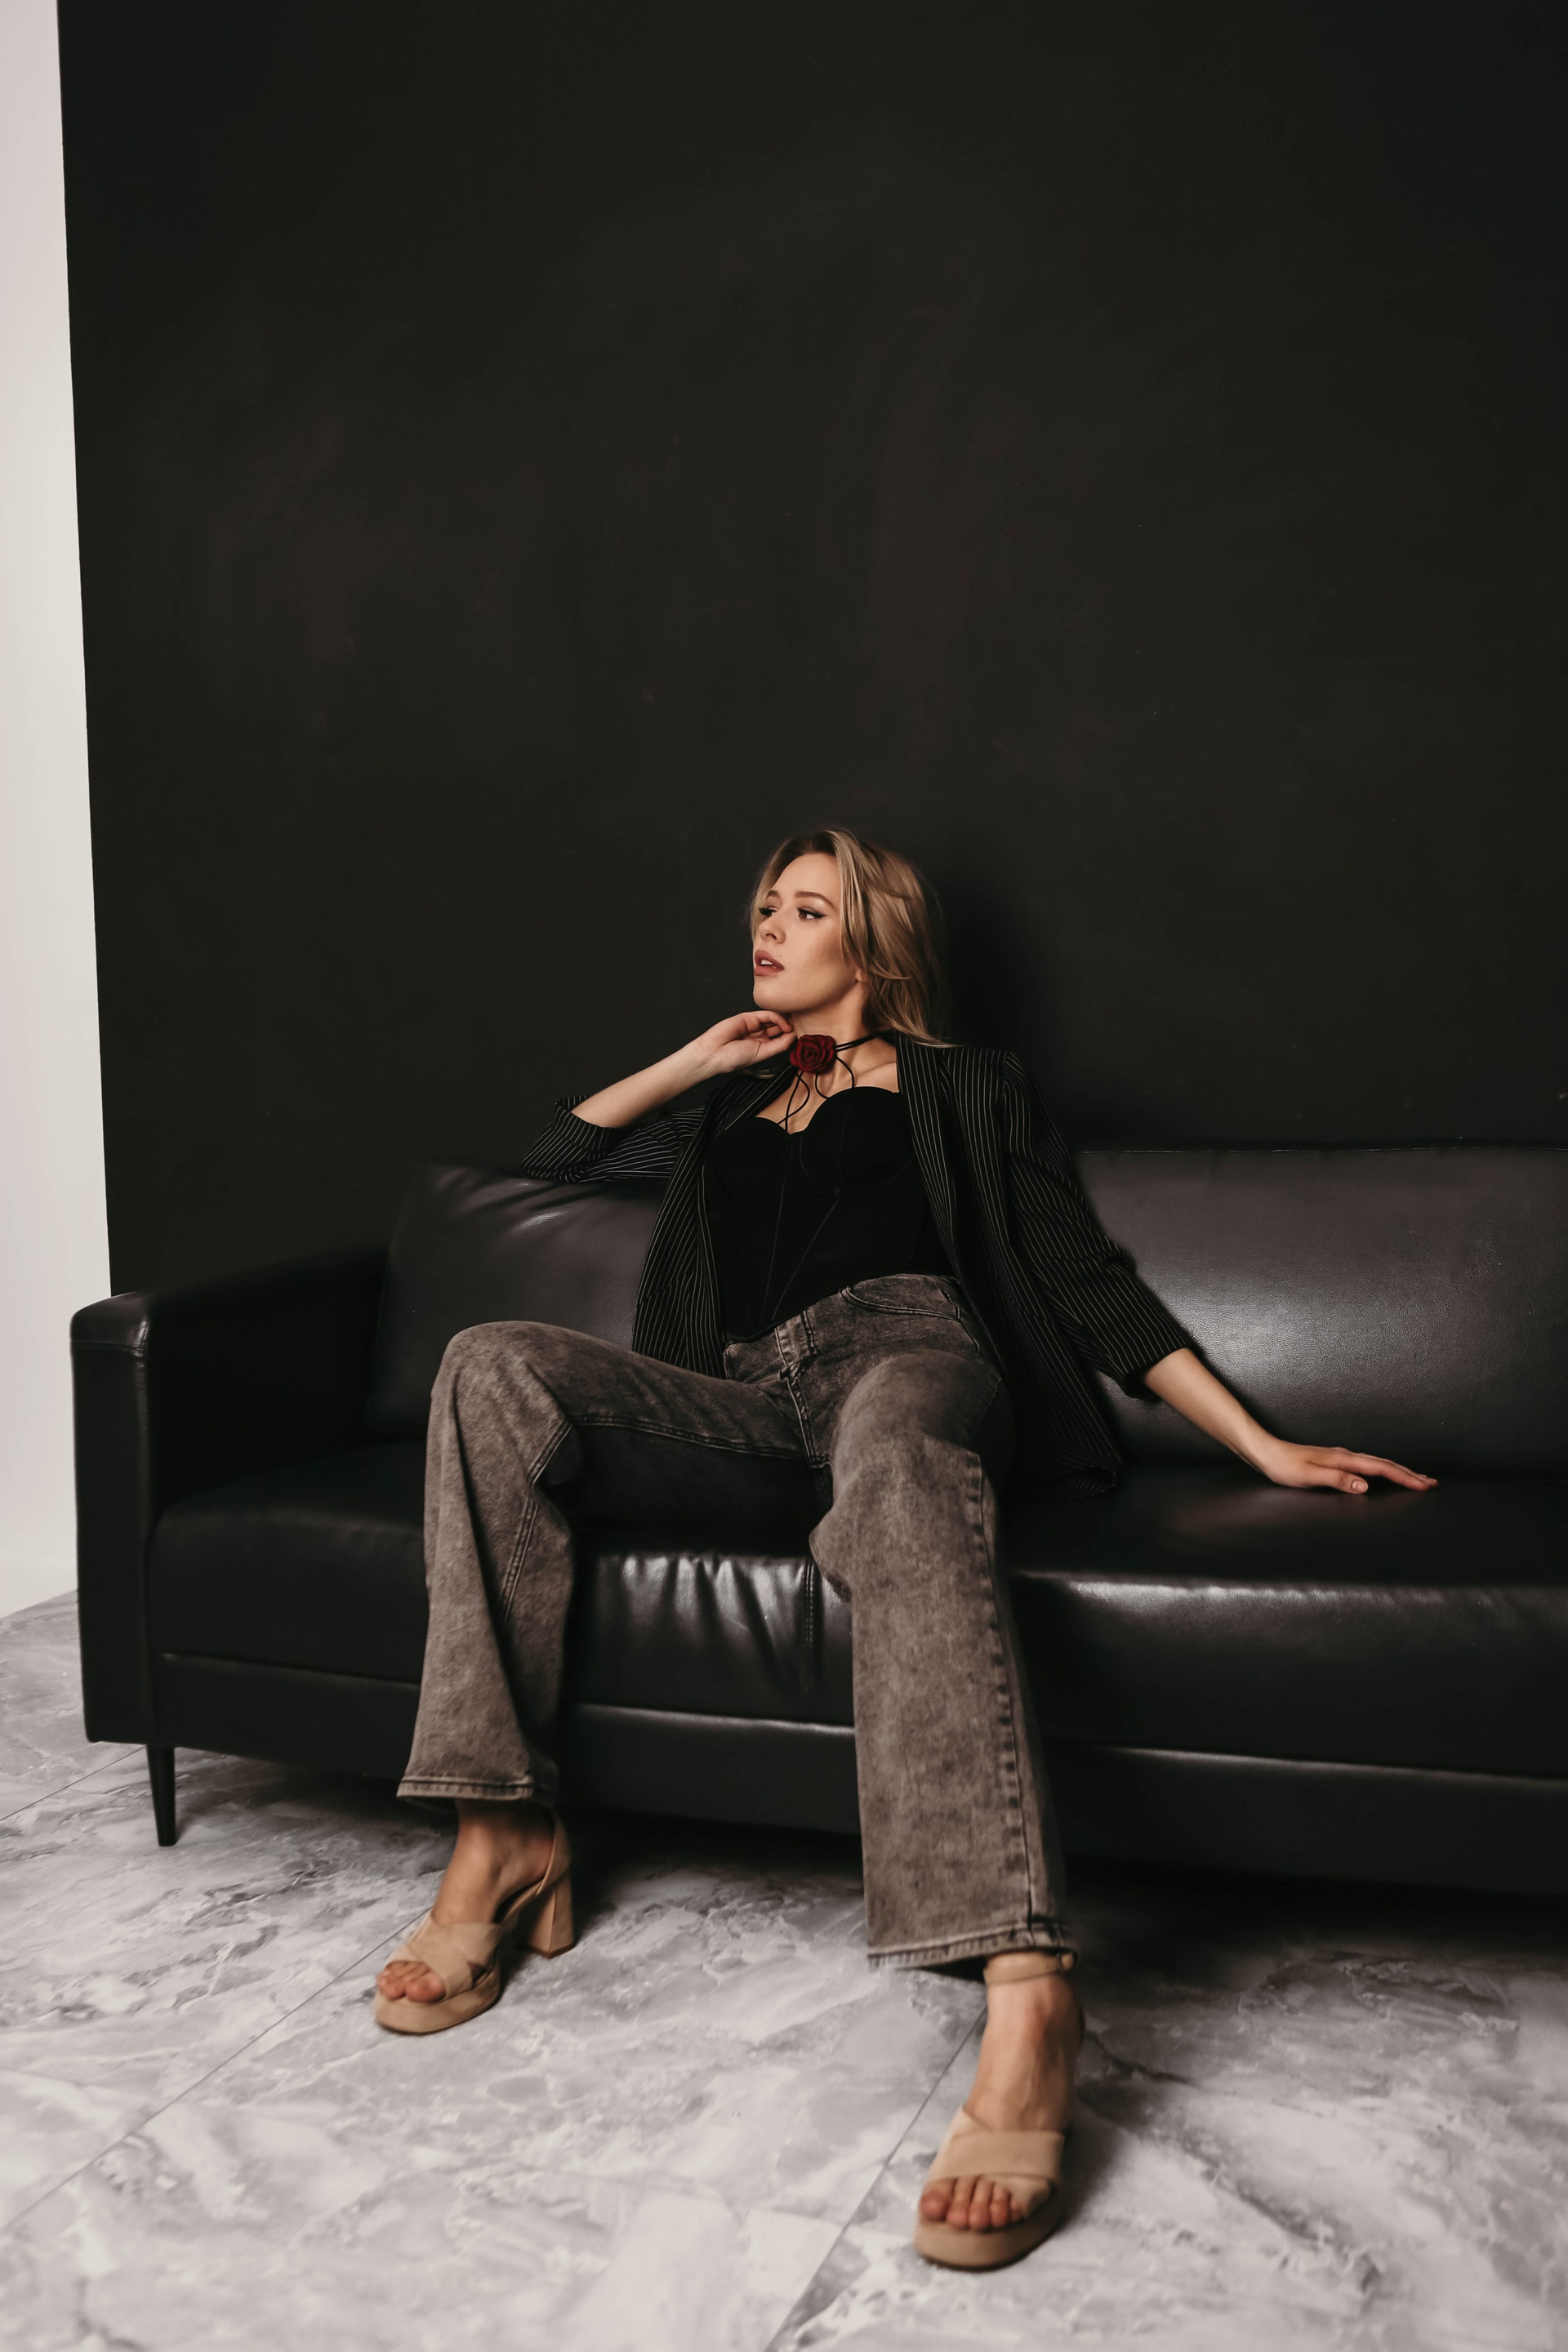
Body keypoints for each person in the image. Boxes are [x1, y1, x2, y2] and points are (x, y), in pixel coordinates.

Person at [373, 827, 1434, 2270]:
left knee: (891, 1459)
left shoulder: (968, 1087)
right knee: (491, 1362)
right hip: (741, 1396)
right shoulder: (728, 1099)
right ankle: (504, 1832)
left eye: (806, 910)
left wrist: (1259, 1443)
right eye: (764, 906)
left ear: (872, 943)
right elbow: (550, 1162)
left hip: (910, 1355)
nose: (769, 927)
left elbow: (1079, 1276)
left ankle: (1026, 1985)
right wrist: (696, 1062)